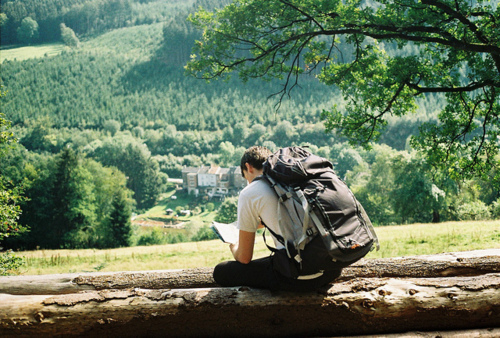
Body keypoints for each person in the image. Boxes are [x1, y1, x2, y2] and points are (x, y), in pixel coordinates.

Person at [213, 146, 342, 292]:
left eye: (245, 177)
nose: (248, 182)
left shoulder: (249, 193)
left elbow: (244, 258)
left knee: (221, 271)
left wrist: (233, 244)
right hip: (332, 268)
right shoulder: (293, 179)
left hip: (297, 277)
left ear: (248, 167)